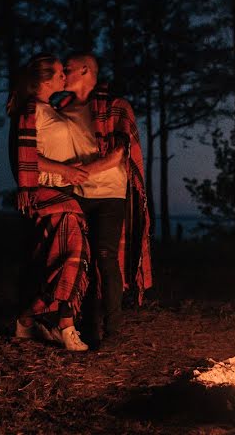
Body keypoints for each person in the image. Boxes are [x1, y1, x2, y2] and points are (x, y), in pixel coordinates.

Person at [58, 52, 152, 347]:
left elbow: (119, 154)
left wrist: (82, 171)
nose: (63, 74)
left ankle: (112, 330)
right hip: (76, 195)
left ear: (85, 70)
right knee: (80, 260)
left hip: (110, 194)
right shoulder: (61, 109)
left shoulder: (116, 106)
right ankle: (87, 327)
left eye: (68, 69)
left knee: (106, 256)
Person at [6, 53, 92, 352]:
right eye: (58, 74)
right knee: (72, 254)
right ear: (43, 80)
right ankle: (66, 327)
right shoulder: (31, 111)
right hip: (45, 192)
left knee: (59, 261)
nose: (63, 77)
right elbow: (25, 157)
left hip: (65, 193)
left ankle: (27, 320)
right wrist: (64, 170)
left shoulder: (51, 109)